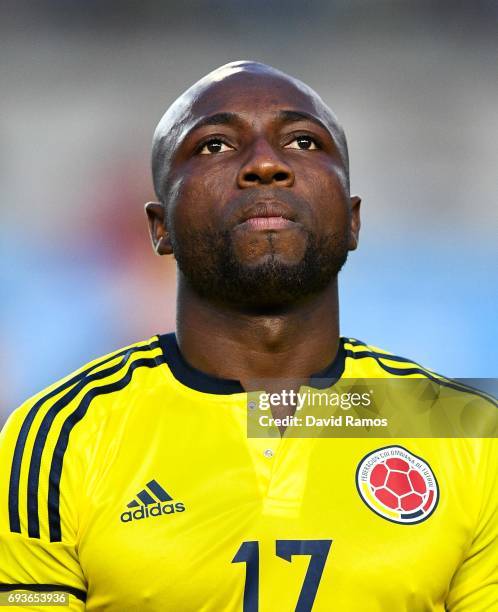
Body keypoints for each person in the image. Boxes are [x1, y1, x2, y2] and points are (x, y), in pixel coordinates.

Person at [0, 61, 496, 611]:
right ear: (160, 228)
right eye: (214, 146)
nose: (265, 164)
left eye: (304, 142)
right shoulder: (59, 439)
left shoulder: (466, 433)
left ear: (353, 220)